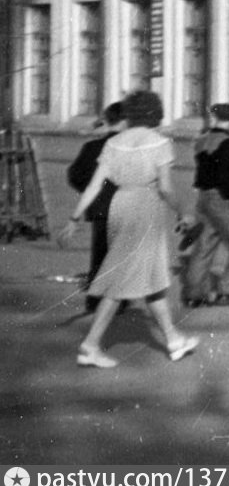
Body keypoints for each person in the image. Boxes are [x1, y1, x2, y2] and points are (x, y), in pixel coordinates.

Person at [67, 90, 199, 368]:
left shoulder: (114, 143)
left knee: (149, 277)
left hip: (119, 204)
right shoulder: (160, 143)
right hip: (145, 208)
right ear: (155, 113)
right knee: (124, 278)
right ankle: (90, 345)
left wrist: (74, 217)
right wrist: (183, 211)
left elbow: (94, 186)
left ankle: (174, 340)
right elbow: (164, 188)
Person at [191, 102, 229, 307]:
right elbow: (226, 175)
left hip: (204, 197)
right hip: (221, 198)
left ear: (214, 118)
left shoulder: (202, 140)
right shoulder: (227, 142)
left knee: (204, 246)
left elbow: (202, 172)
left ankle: (195, 294)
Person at [66, 102, 124, 315]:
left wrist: (91, 192)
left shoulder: (91, 147)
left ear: (107, 121)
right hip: (126, 208)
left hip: (99, 208)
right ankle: (117, 299)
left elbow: (75, 175)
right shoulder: (130, 148)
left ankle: (94, 299)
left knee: (99, 253)